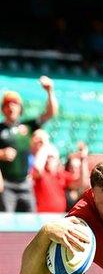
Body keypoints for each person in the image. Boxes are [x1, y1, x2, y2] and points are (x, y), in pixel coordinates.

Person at [0, 76, 58, 212]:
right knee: (6, 224)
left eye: (14, 103)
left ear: (20, 108)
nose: (11, 107)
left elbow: (50, 113)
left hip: (25, 183)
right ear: (3, 109)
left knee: (30, 220)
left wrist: (50, 91)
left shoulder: (27, 126)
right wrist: (1, 154)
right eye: (7, 104)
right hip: (6, 184)